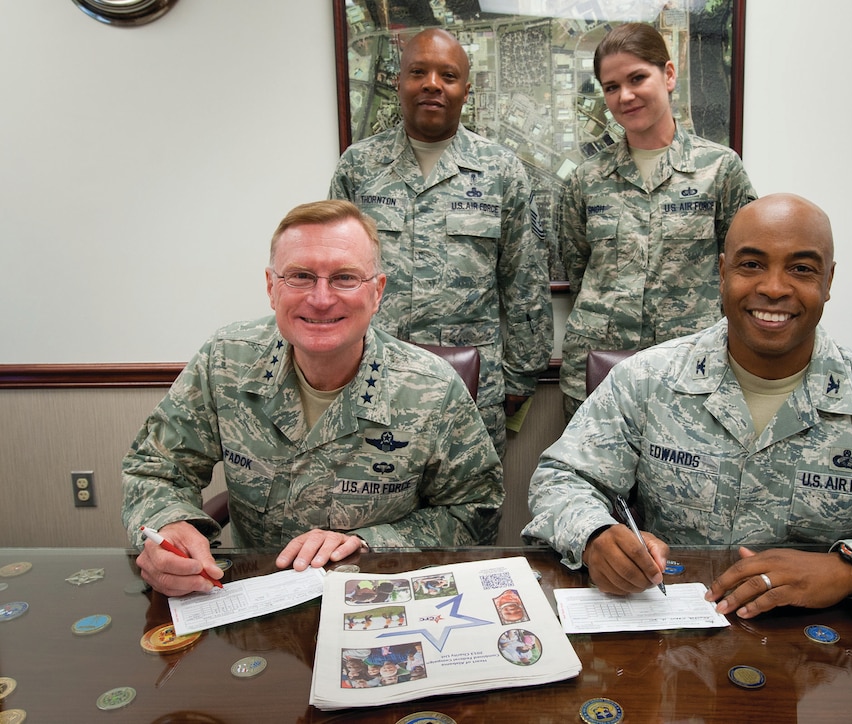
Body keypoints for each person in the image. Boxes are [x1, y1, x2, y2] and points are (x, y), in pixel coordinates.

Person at [524, 193, 852, 616]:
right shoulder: (647, 380)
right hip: (670, 628)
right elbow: (560, 480)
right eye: (752, 264)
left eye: (801, 269)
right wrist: (594, 534)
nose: (773, 288)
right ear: (723, 272)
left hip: (824, 653)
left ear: (828, 281)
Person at [122, 200, 503, 596]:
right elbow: (157, 466)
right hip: (251, 600)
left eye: (344, 278)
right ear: (272, 288)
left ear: (377, 292)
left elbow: (476, 512)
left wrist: (373, 543)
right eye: (300, 276)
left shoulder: (434, 389)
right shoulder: (225, 361)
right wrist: (168, 523)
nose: (321, 299)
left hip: (376, 595)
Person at [329, 27, 553, 457]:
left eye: (448, 76)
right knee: (371, 505)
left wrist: (521, 377)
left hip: (472, 388)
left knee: (472, 513)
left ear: (466, 91)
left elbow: (525, 282)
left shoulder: (501, 170)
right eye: (419, 72)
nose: (433, 84)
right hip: (372, 380)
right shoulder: (358, 168)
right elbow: (335, 278)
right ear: (398, 82)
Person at [557, 22, 758, 419]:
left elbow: (744, 270)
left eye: (637, 78)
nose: (625, 96)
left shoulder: (720, 170)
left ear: (667, 75)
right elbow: (579, 269)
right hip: (596, 374)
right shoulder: (585, 180)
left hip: (692, 374)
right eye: (611, 87)